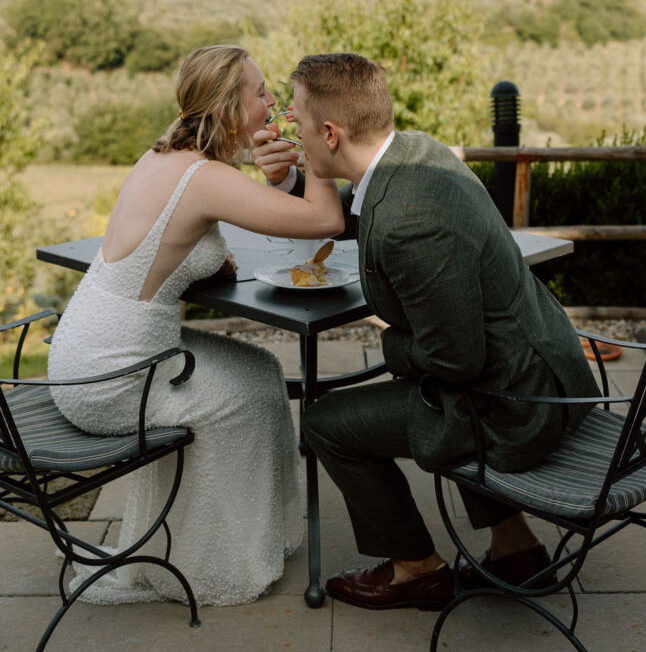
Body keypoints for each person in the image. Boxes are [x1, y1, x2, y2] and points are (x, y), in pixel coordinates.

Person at [252, 52, 599, 611]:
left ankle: (416, 569)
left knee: (325, 422)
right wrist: (293, 178)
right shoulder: (417, 153)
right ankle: (517, 549)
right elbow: (358, 209)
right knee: (419, 389)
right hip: (539, 364)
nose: (290, 128)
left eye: (296, 120)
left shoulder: (410, 227)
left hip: (516, 403)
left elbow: (455, 360)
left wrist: (387, 346)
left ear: (331, 132)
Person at [48, 45, 343, 606]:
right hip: (115, 379)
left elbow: (172, 242)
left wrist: (213, 246)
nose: (272, 100)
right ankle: (213, 563)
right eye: (260, 93)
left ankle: (238, 536)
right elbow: (326, 220)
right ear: (231, 107)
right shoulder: (204, 176)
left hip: (85, 351)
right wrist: (316, 153)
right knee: (251, 396)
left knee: (259, 367)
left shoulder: (164, 156)